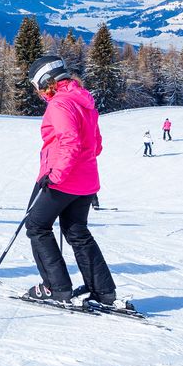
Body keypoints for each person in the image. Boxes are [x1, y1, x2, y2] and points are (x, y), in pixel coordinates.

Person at [22, 55, 118, 306]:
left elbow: (70, 142)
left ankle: (56, 287)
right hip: (86, 180)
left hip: (63, 179)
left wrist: (56, 175)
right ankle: (103, 292)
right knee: (76, 231)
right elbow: (95, 146)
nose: (39, 92)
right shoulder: (84, 101)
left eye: (38, 86)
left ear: (46, 81)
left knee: (36, 226)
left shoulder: (59, 104)